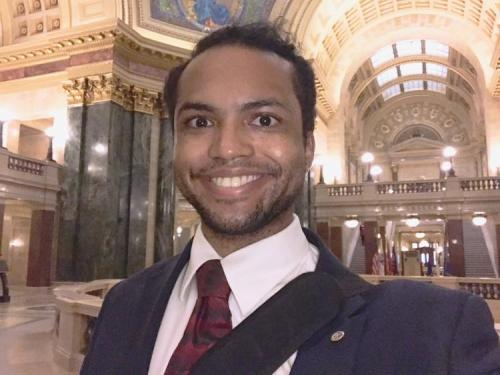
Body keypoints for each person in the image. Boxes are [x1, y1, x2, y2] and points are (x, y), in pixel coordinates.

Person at [81, 23, 500, 375]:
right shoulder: (124, 306)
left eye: (264, 120)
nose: (227, 149)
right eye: (200, 121)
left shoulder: (435, 332)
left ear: (308, 146)